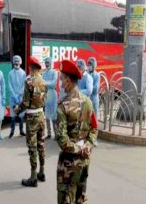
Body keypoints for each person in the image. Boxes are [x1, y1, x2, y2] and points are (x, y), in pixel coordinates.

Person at [56, 60, 98, 203]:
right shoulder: (88, 102)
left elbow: (62, 140)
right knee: (80, 197)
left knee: (65, 199)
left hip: (69, 163)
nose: (61, 84)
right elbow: (94, 128)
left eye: (62, 79)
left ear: (68, 80)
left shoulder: (63, 106)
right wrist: (88, 146)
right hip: (84, 160)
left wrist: (78, 149)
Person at [14, 57, 47, 187]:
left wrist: (17, 110)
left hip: (32, 117)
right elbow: (45, 100)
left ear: (32, 68)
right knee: (41, 145)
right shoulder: (44, 82)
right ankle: (42, 172)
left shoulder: (29, 82)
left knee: (32, 148)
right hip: (41, 116)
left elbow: (26, 103)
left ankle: (33, 178)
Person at [8, 55, 26, 138]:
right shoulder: (10, 73)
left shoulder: (23, 73)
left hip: (20, 97)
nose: (16, 64)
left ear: (20, 63)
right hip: (13, 98)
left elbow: (23, 85)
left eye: (17, 62)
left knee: (21, 116)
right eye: (15, 62)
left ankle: (21, 131)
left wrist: (19, 95)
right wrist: (14, 95)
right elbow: (10, 85)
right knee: (13, 116)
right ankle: (12, 132)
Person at [42, 57, 58, 139]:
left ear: (51, 63)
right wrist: (45, 84)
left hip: (53, 94)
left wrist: (45, 83)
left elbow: (53, 83)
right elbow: (42, 84)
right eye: (46, 62)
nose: (47, 64)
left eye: (48, 62)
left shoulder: (55, 72)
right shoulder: (44, 74)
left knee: (54, 115)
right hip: (46, 94)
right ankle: (48, 133)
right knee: (47, 115)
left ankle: (56, 134)